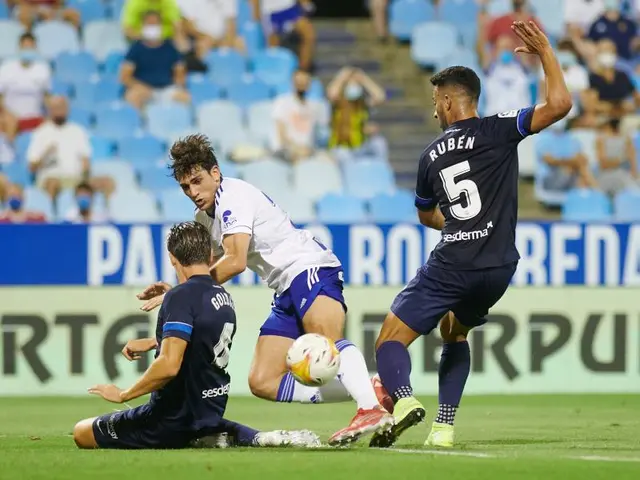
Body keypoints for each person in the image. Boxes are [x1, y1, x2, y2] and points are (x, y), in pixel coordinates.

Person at [369, 21, 573, 449]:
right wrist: (546, 53)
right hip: (499, 266)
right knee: (455, 332)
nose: (433, 110)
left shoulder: (430, 156)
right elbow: (559, 103)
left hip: (454, 263)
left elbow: (427, 216)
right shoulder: (501, 129)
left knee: (389, 340)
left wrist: (462, 227)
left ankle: (404, 402)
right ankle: (444, 428)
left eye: (434, 102)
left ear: (447, 100)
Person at [137, 134, 393, 446]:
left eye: (197, 181)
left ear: (215, 173)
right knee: (263, 381)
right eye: (185, 187)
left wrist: (181, 293)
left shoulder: (233, 196)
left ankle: (368, 408)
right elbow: (201, 275)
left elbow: (235, 262)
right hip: (283, 287)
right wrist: (178, 293)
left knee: (329, 342)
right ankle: (375, 390)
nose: (193, 192)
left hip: (307, 267)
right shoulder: (204, 217)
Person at [73, 221, 320, 450]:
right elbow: (200, 342)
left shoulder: (180, 297)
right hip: (208, 412)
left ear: (172, 258)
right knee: (207, 423)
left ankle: (193, 437)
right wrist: (155, 342)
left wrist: (123, 394)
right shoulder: (222, 296)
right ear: (211, 255)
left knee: (82, 432)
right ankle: (253, 437)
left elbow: (169, 366)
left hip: (168, 421)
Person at [121, 10, 190, 109]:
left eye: (155, 24)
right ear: (143, 26)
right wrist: (140, 87)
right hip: (143, 89)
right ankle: (140, 122)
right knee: (132, 97)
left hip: (167, 89)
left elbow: (179, 72)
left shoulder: (171, 47)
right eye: (149, 24)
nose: (152, 27)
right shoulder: (136, 48)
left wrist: (177, 85)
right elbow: (124, 77)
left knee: (184, 97)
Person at [271, 70, 327, 162]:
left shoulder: (314, 106)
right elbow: (281, 134)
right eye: (299, 82)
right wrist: (296, 149)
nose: (301, 85)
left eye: (304, 82)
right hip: (286, 150)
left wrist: (307, 150)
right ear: (293, 83)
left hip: (308, 151)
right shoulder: (282, 102)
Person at [0, 32, 51, 133]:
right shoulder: (6, 68)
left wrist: (49, 117)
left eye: (30, 47)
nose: (27, 50)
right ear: (19, 48)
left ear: (35, 49)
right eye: (25, 47)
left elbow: (47, 97)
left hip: (35, 117)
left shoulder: (43, 69)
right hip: (10, 117)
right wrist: (7, 114)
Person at [595, 117, 638, 195]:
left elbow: (632, 162)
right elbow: (604, 164)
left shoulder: (627, 140)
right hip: (607, 175)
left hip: (623, 175)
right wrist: (621, 160)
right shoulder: (602, 140)